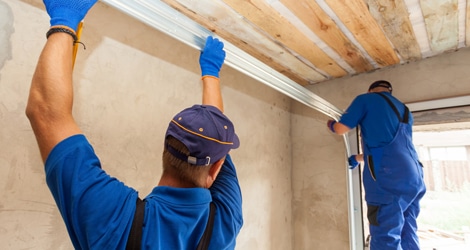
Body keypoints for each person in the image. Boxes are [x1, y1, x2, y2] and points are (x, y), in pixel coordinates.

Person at [26, 0, 243, 249]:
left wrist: (65, 18)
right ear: (215, 170)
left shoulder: (116, 221)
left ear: (165, 148)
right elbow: (214, 134)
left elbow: (46, 112)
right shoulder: (226, 219)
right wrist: (211, 73)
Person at [326, 80, 426, 250]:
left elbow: (341, 129)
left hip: (389, 182)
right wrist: (357, 158)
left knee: (385, 238)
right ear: (390, 92)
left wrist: (332, 125)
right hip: (414, 177)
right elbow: (390, 149)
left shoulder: (366, 99)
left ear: (370, 90)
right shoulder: (405, 111)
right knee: (407, 232)